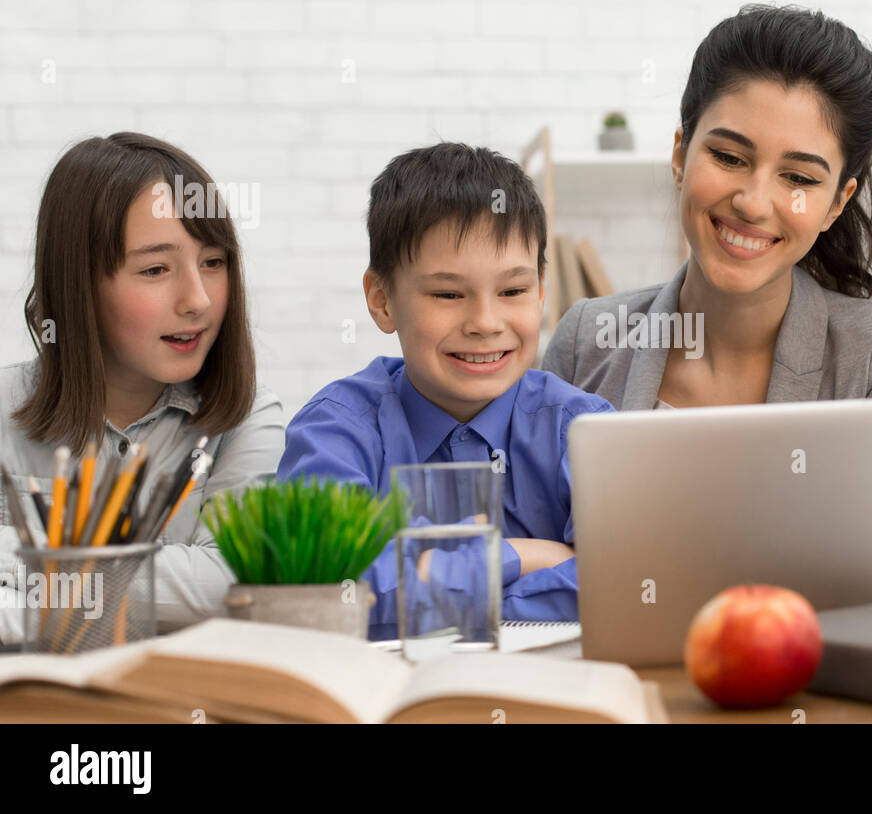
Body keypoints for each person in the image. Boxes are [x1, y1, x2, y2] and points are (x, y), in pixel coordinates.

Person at [543, 4, 872, 604]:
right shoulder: (587, 339)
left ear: (837, 202)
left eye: (800, 179)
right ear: (681, 154)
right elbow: (519, 548)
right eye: (730, 157)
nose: (754, 202)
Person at [277, 143, 614, 636]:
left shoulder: (581, 429)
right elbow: (323, 590)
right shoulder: (336, 429)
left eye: (513, 291)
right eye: (447, 294)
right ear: (382, 299)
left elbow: (626, 579)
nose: (485, 322)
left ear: (542, 290)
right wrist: (517, 556)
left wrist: (433, 594)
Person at [0, 132, 284, 641]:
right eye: (155, 269)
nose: (197, 300)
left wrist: (26, 555)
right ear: (78, 283)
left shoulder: (247, 420)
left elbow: (233, 584)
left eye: (213, 263)